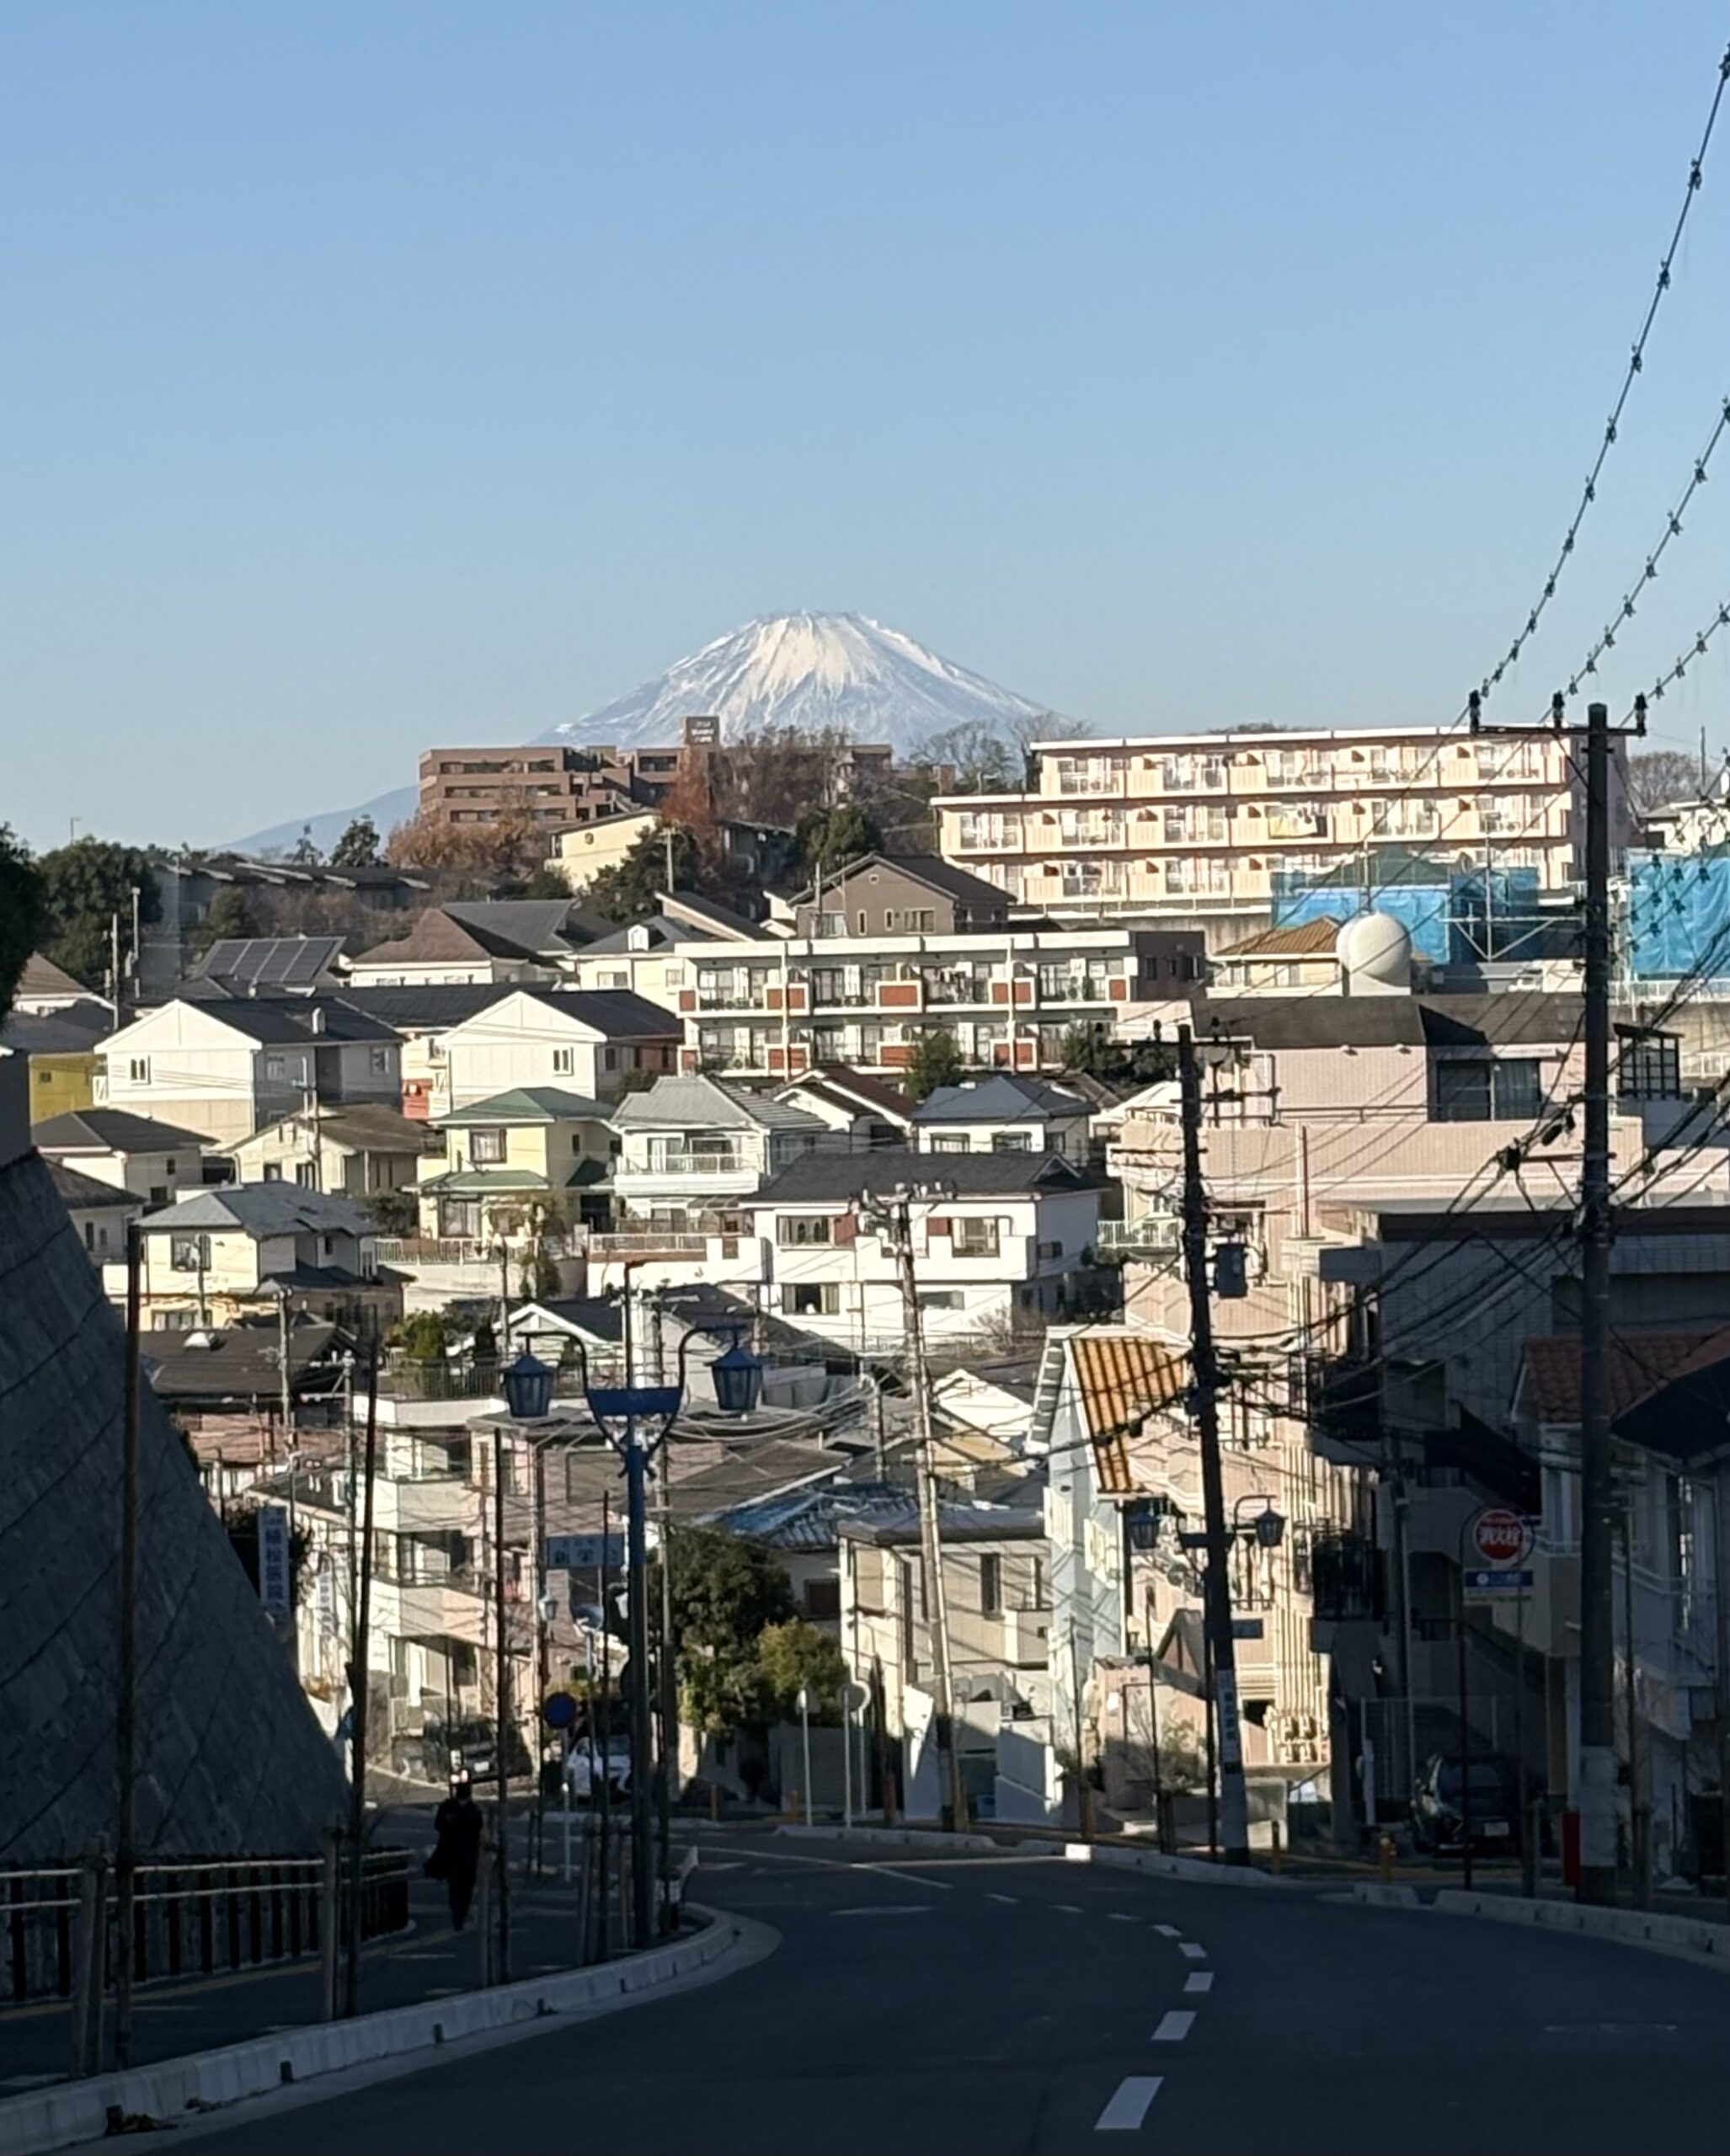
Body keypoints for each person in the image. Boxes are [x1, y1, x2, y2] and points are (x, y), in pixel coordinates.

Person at [428, 1777, 484, 1930]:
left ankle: (459, 1915)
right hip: (461, 1856)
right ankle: (459, 1915)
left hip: (459, 1855)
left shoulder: (460, 1809)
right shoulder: (471, 1810)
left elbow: (439, 1825)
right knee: (461, 1888)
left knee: (459, 1888)